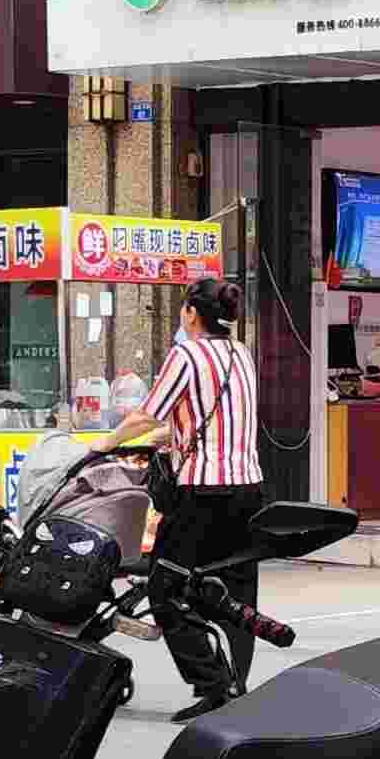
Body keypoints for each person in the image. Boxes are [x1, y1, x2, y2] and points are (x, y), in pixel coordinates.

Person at [141, 279, 266, 717]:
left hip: (201, 491)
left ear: (192, 313)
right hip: (248, 489)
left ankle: (212, 684)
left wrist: (103, 443)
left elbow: (147, 415)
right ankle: (236, 684)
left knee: (165, 587)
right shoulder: (242, 354)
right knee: (236, 591)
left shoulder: (187, 354)